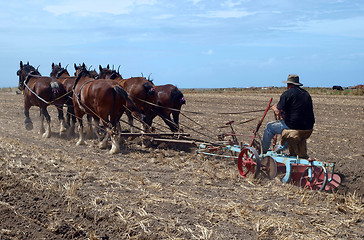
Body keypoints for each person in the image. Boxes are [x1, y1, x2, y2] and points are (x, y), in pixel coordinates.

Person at [262, 74, 315, 154]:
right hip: (309, 128)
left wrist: (274, 108)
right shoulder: (306, 94)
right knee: (290, 134)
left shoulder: (287, 93)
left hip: (294, 126)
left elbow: (278, 111)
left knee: (269, 127)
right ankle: (278, 149)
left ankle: (263, 152)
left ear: (288, 84)